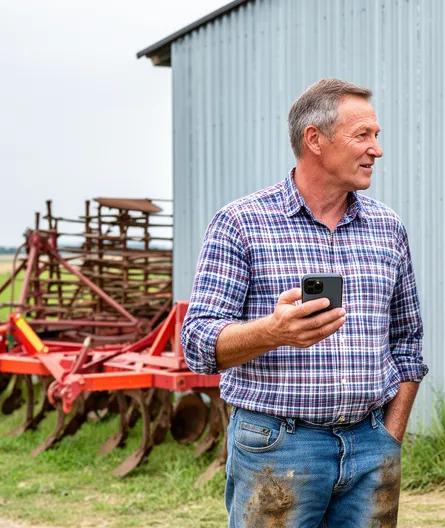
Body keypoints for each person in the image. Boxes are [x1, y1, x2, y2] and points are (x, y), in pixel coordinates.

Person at [181, 78, 427, 528]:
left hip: (371, 445)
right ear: (315, 139)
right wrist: (272, 332)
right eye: (363, 136)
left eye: (377, 135)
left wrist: (391, 434)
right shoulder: (241, 223)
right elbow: (197, 344)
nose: (377, 149)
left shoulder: (388, 227)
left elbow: (408, 343)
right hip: (277, 445)